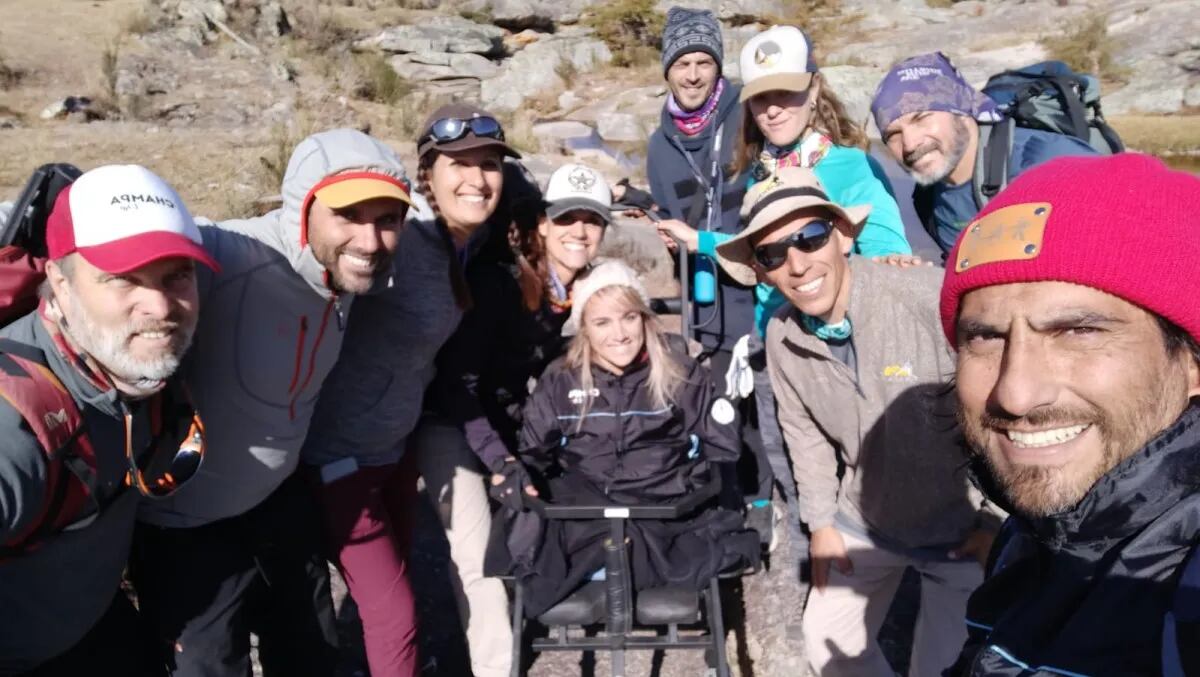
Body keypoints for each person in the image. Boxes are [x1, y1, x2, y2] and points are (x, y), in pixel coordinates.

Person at [131, 129, 414, 677]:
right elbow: (137, 236)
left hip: (278, 504)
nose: (371, 240)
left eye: (387, 220)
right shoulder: (238, 254)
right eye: (349, 215)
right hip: (185, 528)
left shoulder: (348, 275)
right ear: (304, 208)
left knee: (312, 655)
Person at [714, 166, 1001, 676]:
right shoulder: (781, 336)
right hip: (863, 522)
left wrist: (996, 521)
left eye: (810, 237)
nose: (797, 264)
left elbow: (1006, 406)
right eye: (773, 253)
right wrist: (820, 523)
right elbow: (803, 434)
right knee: (826, 645)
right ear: (761, 271)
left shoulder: (925, 297)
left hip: (960, 528)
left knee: (944, 669)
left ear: (843, 236)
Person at [938, 153, 1200, 675]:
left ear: (1192, 362)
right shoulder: (1032, 530)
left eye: (1078, 331)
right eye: (985, 337)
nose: (1015, 394)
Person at [301, 104, 522, 677]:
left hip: (393, 448)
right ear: (427, 171)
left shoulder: (467, 241)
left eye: (490, 164)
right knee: (393, 612)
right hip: (337, 451)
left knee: (392, 591)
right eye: (459, 164)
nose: (477, 179)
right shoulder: (397, 237)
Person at [0, 165, 217, 675]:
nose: (160, 305)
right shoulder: (16, 429)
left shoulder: (126, 362)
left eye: (178, 274)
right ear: (59, 281)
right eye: (122, 278)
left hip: (92, 623)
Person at [499, 260, 760, 617]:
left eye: (629, 318)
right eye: (602, 322)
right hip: (588, 506)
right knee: (528, 540)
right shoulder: (561, 380)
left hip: (663, 505)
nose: (618, 334)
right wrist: (520, 475)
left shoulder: (680, 375)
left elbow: (722, 449)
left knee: (698, 537)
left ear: (644, 319)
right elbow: (534, 452)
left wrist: (723, 415)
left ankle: (620, 567)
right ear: (585, 330)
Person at [426, 161, 611, 494]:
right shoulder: (499, 285)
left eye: (593, 221)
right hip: (451, 420)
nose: (580, 233)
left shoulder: (580, 291)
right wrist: (502, 460)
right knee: (478, 546)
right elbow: (456, 384)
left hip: (505, 416)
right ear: (542, 225)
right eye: (566, 218)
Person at [871, 52, 1096, 256]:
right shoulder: (927, 198)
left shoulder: (1052, 161)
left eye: (921, 118)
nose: (910, 144)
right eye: (893, 135)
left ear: (961, 111)